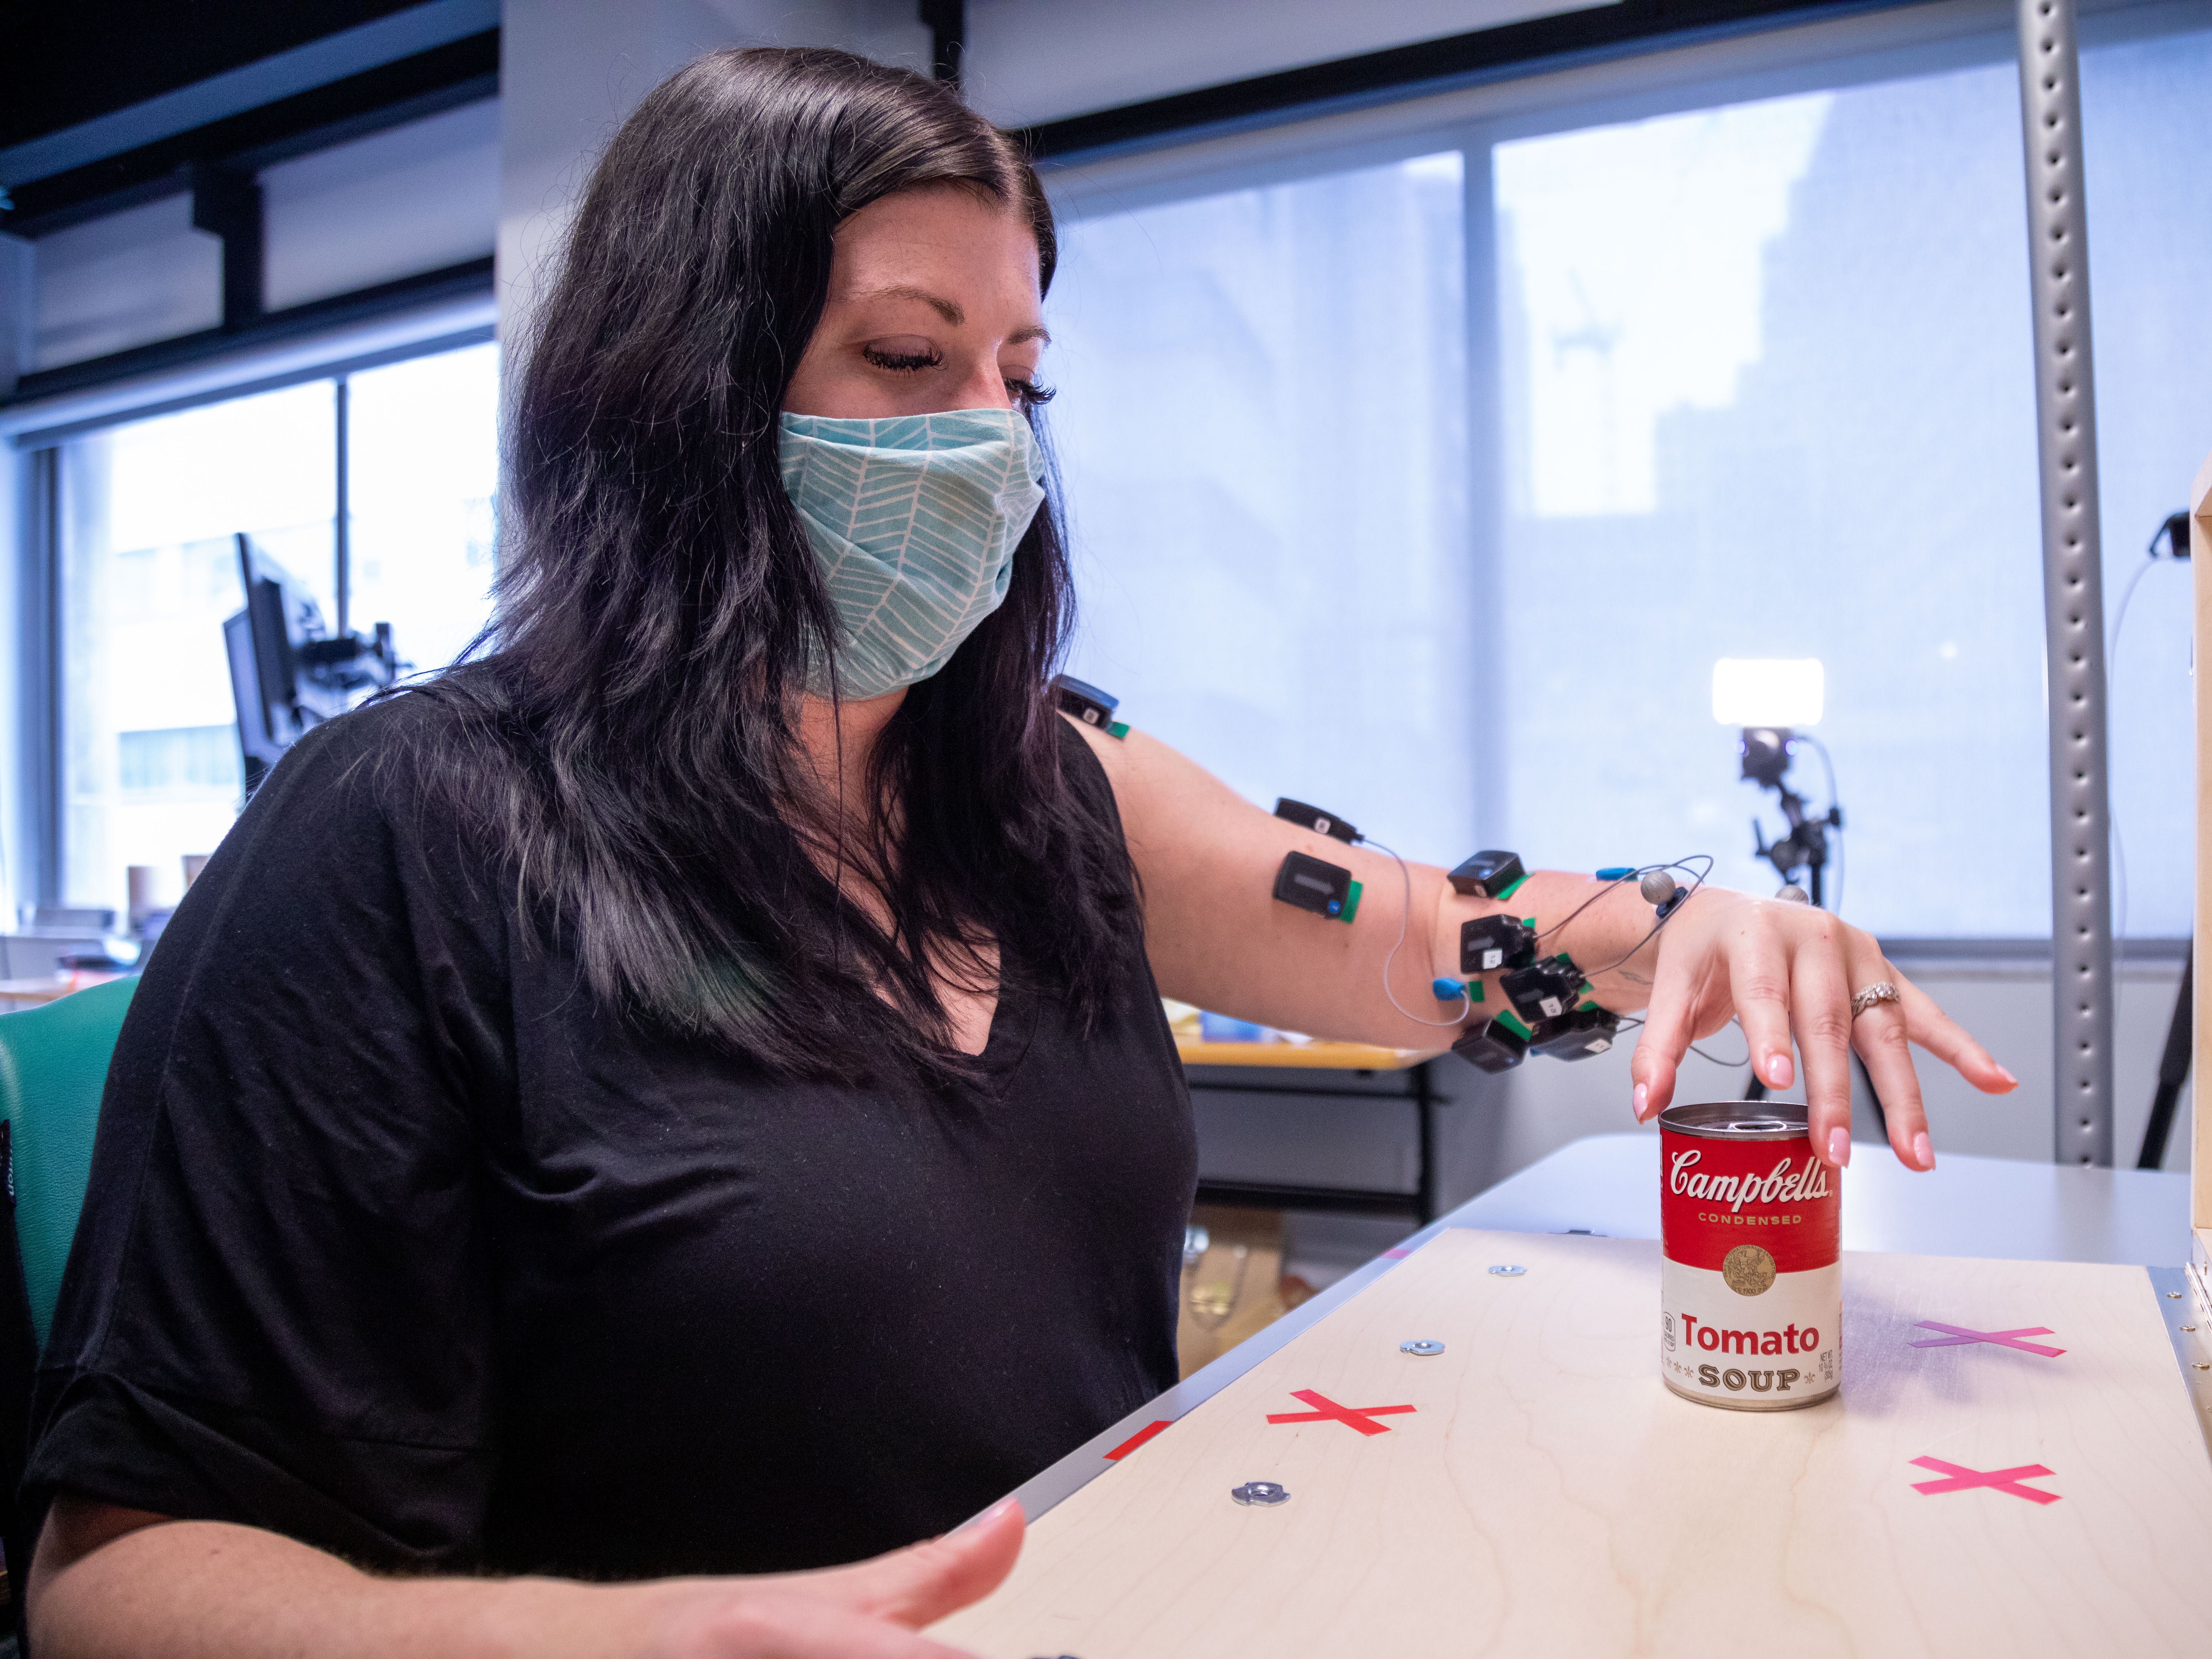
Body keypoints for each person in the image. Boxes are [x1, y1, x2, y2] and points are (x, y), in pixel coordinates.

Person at [22, 45, 2013, 1659]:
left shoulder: (1045, 780)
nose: (988, 439)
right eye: (907, 360)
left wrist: (1694, 925)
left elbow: (1410, 934)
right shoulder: (408, 834)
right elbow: (115, 1580)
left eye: (1021, 377)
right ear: (682, 391)